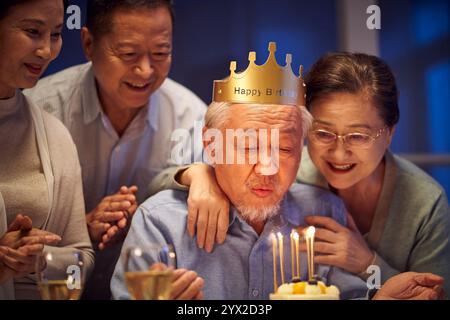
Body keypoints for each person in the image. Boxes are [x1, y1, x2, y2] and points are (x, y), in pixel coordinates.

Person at [158, 52, 450, 297]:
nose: (338, 153)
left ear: (389, 134)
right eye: (322, 133)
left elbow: (434, 292)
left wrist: (368, 263)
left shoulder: (425, 202)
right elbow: (157, 191)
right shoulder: (286, 171)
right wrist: (200, 175)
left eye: (358, 136)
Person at [24, 0, 206, 299]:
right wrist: (80, 228)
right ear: (88, 43)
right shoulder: (39, 112)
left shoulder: (192, 119)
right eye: (128, 53)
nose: (146, 70)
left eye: (161, 53)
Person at [0, 0, 94, 299]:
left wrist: (41, 261)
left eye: (55, 34)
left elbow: (81, 266)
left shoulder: (55, 135)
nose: (47, 51)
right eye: (32, 31)